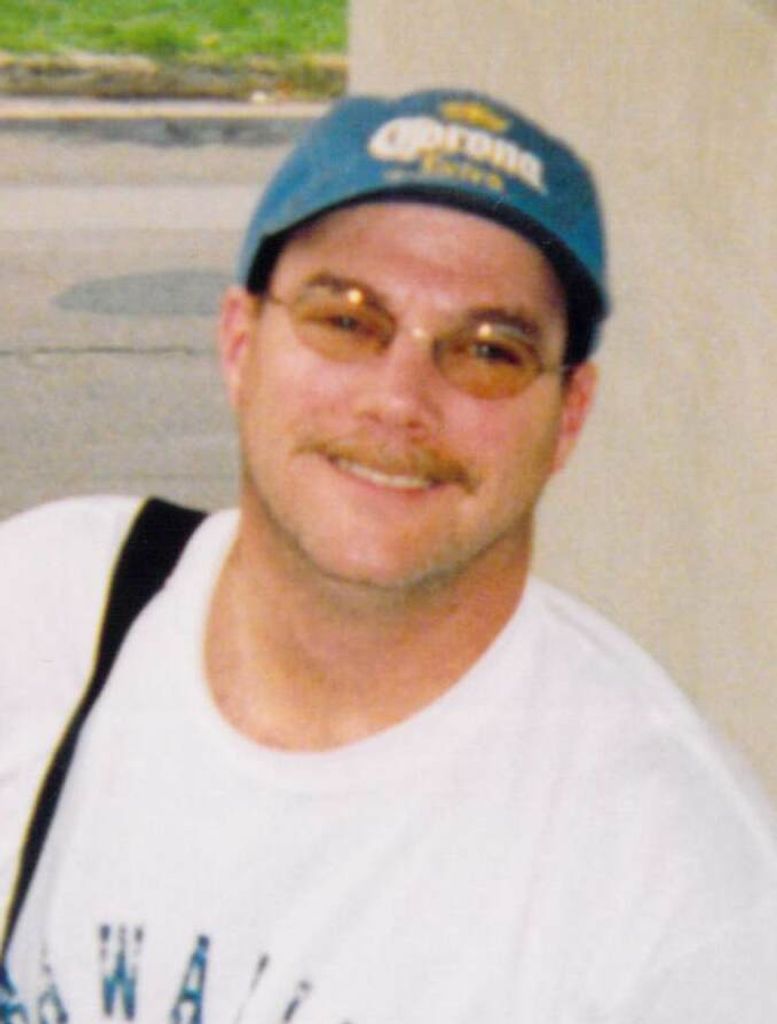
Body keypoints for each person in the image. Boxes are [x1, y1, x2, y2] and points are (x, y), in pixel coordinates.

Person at [1, 88, 776, 1023]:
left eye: (487, 351)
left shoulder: (678, 888)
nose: (400, 400)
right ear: (239, 345)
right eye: (345, 320)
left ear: (568, 419)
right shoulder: (42, 612)